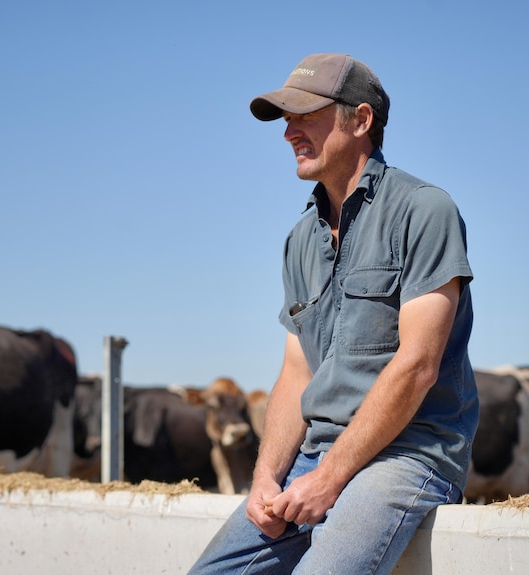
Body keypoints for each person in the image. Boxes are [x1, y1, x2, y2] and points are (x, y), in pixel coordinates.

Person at [188, 53, 478, 575]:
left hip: (406, 455)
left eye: (305, 116)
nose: (288, 133)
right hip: (315, 457)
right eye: (285, 120)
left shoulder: (424, 210)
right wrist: (266, 479)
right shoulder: (301, 239)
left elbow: (418, 367)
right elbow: (297, 374)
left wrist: (331, 477)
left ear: (361, 120)